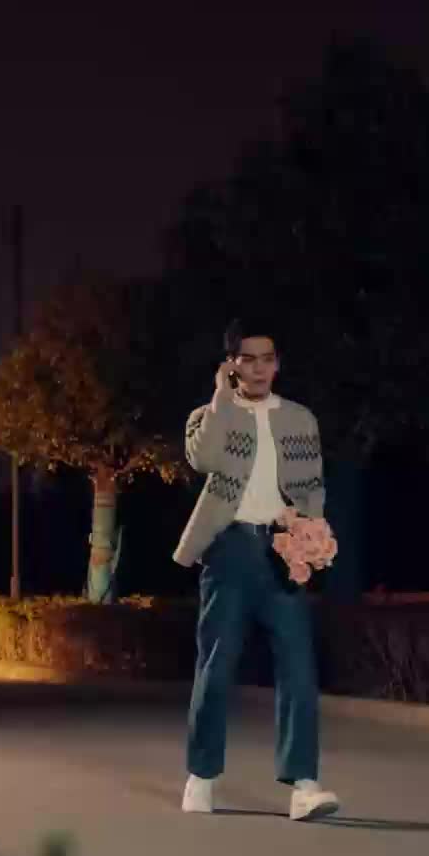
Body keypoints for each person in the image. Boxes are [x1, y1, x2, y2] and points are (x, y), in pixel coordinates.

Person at [173, 317, 339, 821]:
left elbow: (312, 488)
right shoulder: (209, 414)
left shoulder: (300, 420)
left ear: (278, 363)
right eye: (248, 359)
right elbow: (203, 459)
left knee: (298, 666)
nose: (260, 368)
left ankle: (304, 785)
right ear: (231, 365)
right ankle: (201, 776)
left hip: (281, 550)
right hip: (228, 548)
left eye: (268, 359)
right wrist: (221, 398)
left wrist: (310, 537)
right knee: (217, 664)